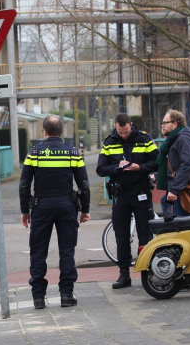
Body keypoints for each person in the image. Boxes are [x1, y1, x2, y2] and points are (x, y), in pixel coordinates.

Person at [19, 115, 91, 310]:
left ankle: (39, 298)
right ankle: (66, 295)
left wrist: (25, 210)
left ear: (45, 132)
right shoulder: (73, 153)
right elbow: (83, 183)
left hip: (41, 206)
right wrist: (85, 209)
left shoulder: (35, 153)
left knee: (38, 251)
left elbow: (25, 184)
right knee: (67, 251)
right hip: (67, 205)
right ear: (61, 132)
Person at [96, 113, 159, 290]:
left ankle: (148, 272)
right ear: (115, 126)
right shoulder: (109, 142)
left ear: (131, 125)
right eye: (120, 131)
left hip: (141, 192)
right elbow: (101, 169)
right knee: (121, 235)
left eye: (126, 131)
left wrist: (140, 167)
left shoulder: (144, 139)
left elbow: (158, 162)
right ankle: (124, 274)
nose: (123, 135)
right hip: (121, 194)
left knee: (145, 234)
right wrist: (117, 167)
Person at [156, 110, 190, 218]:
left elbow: (187, 165)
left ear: (175, 124)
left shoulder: (183, 138)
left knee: (181, 227)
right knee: (164, 201)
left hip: (183, 190)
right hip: (178, 188)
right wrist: (156, 176)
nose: (162, 126)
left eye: (165, 123)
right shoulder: (175, 139)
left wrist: (174, 190)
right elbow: (175, 165)